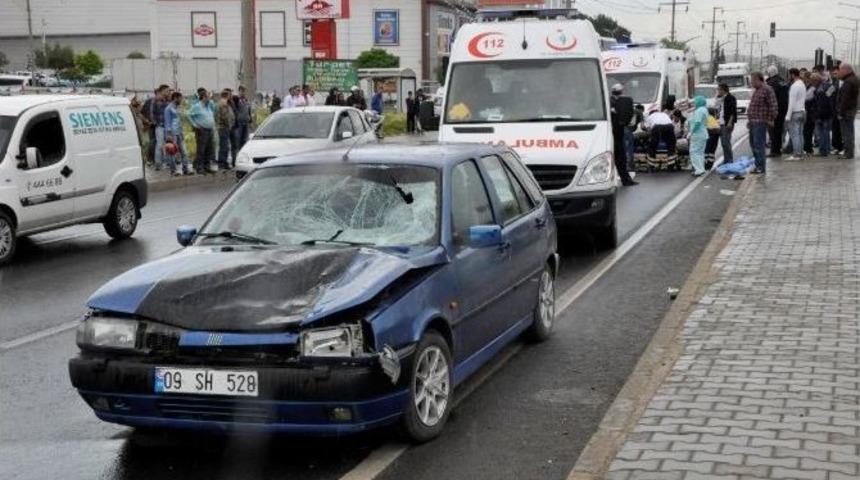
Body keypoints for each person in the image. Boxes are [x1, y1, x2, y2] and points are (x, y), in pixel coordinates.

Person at [748, 72, 779, 174]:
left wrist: (771, 119)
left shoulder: (767, 89)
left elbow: (773, 105)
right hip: (753, 122)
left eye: (752, 81)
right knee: (753, 144)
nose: (751, 83)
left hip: (761, 121)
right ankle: (758, 165)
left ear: (758, 79)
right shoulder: (756, 91)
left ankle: (761, 167)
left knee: (759, 145)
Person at [609, 83, 638, 186]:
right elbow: (628, 115)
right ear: (621, 91)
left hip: (611, 133)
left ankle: (625, 179)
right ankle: (625, 180)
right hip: (616, 132)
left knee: (620, 157)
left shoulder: (609, 101)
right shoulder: (622, 101)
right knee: (620, 157)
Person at [188, 88, 218, 173]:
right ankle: (199, 167)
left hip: (210, 130)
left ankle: (207, 166)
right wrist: (195, 125)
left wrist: (211, 102)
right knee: (201, 150)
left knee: (209, 149)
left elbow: (214, 109)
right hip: (202, 130)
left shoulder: (208, 105)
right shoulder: (197, 106)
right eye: (208, 97)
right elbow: (189, 115)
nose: (210, 98)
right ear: (204, 97)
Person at [163, 91, 192, 176]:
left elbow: (179, 120)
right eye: (180, 98)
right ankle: (173, 170)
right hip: (172, 134)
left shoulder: (177, 108)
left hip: (179, 132)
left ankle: (185, 169)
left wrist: (182, 131)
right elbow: (167, 122)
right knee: (172, 152)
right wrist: (169, 135)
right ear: (175, 98)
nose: (181, 100)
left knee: (184, 151)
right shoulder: (168, 109)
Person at [837, 63, 859, 159]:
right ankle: (849, 152)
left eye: (841, 70)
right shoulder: (854, 79)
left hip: (846, 111)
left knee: (846, 133)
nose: (839, 72)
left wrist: (841, 112)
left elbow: (845, 99)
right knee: (850, 132)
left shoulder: (848, 82)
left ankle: (848, 153)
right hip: (851, 110)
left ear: (847, 70)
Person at [766, 65, 789, 157]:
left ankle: (774, 150)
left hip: (775, 110)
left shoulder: (772, 83)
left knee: (773, 131)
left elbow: (770, 98)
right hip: (783, 109)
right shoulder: (783, 81)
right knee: (779, 131)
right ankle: (778, 149)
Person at [784, 68, 807, 161]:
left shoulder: (794, 86)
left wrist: (788, 116)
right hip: (802, 111)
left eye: (789, 75)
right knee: (800, 134)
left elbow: (791, 102)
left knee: (794, 135)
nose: (789, 77)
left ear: (793, 75)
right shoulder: (802, 84)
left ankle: (796, 154)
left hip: (795, 112)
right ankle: (800, 152)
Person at [147, 84, 171, 171]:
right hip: (160, 126)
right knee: (160, 144)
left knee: (167, 144)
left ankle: (166, 163)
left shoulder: (167, 100)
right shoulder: (155, 100)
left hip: (167, 126)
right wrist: (156, 123)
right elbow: (151, 113)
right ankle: (158, 164)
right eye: (167, 91)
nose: (168, 92)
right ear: (162, 91)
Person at [687, 96, 709, 177]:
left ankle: (699, 170)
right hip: (703, 134)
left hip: (698, 134)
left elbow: (697, 123)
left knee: (694, 152)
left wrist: (691, 132)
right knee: (700, 153)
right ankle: (701, 169)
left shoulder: (699, 111)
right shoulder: (704, 109)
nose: (694, 103)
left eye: (695, 102)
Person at [814, 72, 834, 156]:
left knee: (822, 132)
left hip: (823, 113)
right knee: (826, 132)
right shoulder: (830, 86)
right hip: (829, 112)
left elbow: (822, 103)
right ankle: (827, 149)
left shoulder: (820, 88)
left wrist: (819, 115)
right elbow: (831, 99)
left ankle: (823, 151)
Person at [716, 84, 737, 163]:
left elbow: (733, 111)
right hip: (721, 122)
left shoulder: (730, 98)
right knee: (723, 143)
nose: (718, 92)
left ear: (723, 90)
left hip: (727, 123)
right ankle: (726, 159)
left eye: (719, 90)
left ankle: (729, 160)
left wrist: (730, 122)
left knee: (726, 142)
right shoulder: (722, 99)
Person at [216, 90, 235, 170]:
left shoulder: (223, 103)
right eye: (230, 95)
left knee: (224, 145)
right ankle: (222, 163)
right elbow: (224, 116)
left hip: (222, 127)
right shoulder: (224, 103)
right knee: (224, 146)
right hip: (224, 127)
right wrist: (229, 125)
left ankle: (223, 162)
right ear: (227, 95)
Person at [803, 73, 819, 155]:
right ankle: (807, 147)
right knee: (807, 131)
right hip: (810, 112)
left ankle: (808, 148)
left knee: (808, 131)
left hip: (810, 113)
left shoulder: (812, 88)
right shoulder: (810, 87)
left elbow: (806, 98)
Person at [829, 64, 844, 154]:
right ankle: (837, 147)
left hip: (840, 110)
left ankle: (842, 148)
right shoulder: (833, 83)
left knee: (841, 130)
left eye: (836, 73)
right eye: (833, 73)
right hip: (833, 110)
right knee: (835, 129)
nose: (834, 75)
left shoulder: (841, 83)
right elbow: (828, 93)